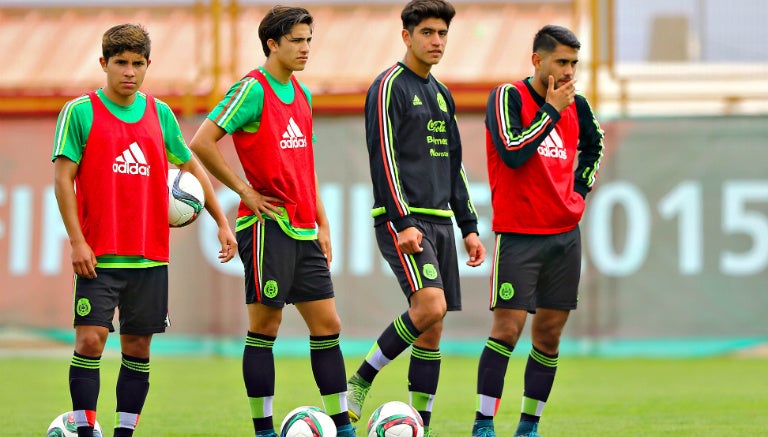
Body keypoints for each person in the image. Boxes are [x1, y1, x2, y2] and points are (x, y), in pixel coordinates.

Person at [52, 23, 237, 437]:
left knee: (137, 348)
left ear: (148, 65)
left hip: (150, 256)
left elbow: (191, 167)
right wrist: (77, 242)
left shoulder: (160, 114)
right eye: (120, 63)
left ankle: (123, 433)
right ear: (104, 64)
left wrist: (221, 221)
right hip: (98, 255)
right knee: (90, 343)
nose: (129, 72)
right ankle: (85, 431)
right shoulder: (80, 112)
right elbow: (64, 179)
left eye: (138, 63)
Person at [187, 6, 356, 437]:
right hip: (267, 228)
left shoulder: (302, 94)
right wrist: (243, 192)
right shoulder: (252, 90)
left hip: (303, 229)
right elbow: (202, 142)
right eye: (297, 40)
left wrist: (323, 223)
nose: (305, 49)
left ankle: (343, 426)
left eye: (309, 40)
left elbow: (305, 166)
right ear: (272, 44)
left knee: (329, 326)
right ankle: (263, 429)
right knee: (266, 327)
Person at [345, 1, 486, 434]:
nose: (437, 41)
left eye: (442, 33)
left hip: (442, 221)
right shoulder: (388, 86)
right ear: (406, 36)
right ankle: (360, 381)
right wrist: (402, 219)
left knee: (432, 329)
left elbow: (455, 165)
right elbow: (382, 155)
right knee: (431, 306)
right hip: (404, 218)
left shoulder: (442, 94)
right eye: (427, 32)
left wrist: (469, 226)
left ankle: (419, 424)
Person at [471, 25, 605, 437]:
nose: (568, 72)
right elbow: (512, 152)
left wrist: (578, 193)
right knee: (507, 331)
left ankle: (528, 426)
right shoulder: (507, 97)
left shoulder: (577, 106)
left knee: (548, 335)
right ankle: (484, 424)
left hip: (564, 236)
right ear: (537, 60)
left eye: (573, 64)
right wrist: (549, 110)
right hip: (519, 235)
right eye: (561, 62)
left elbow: (594, 146)